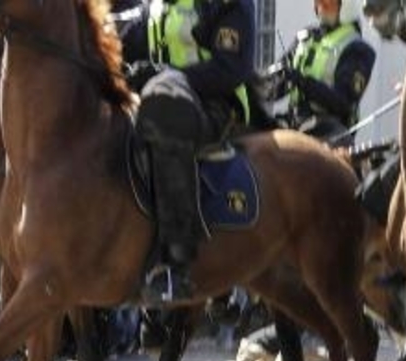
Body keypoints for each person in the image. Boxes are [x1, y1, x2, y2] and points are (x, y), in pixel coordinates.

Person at [120, 0, 257, 304]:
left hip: (214, 104)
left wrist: (163, 74)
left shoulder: (225, 5)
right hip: (155, 100)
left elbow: (231, 68)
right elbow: (120, 45)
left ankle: (176, 262)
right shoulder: (155, 6)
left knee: (165, 119)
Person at [275, 0, 375, 142]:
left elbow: (342, 102)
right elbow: (282, 74)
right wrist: (265, 83)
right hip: (293, 119)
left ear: (345, 8)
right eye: (318, 3)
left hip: (328, 127)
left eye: (327, 4)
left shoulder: (357, 49)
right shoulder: (305, 37)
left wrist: (302, 82)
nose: (321, 9)